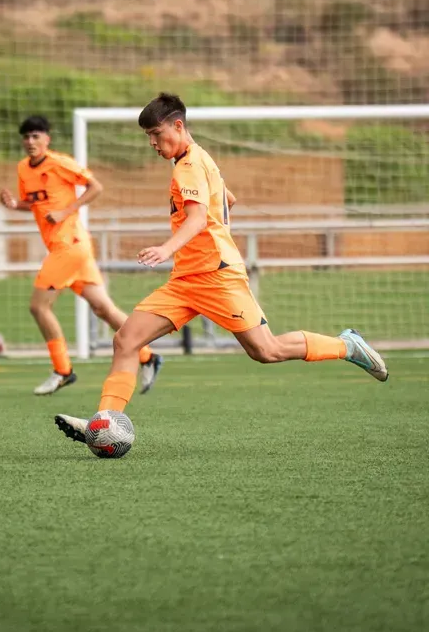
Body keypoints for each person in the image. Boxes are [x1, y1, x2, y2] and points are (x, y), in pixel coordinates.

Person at [54, 92, 388, 443]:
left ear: (177, 126)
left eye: (156, 133)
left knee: (266, 350)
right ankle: (106, 420)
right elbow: (229, 199)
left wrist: (167, 247)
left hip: (217, 276)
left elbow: (197, 218)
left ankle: (347, 345)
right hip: (186, 280)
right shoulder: (198, 159)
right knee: (125, 340)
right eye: (148, 137)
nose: (152, 142)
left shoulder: (189, 165)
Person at [0, 115, 163, 395]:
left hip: (70, 245)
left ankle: (63, 370)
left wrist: (65, 211)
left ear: (47, 139)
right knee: (103, 309)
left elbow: (95, 187)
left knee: (39, 307)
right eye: (26, 137)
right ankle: (148, 356)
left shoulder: (59, 163)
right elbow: (36, 204)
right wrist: (15, 205)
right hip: (72, 249)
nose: (30, 141)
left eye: (36, 135)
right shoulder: (23, 169)